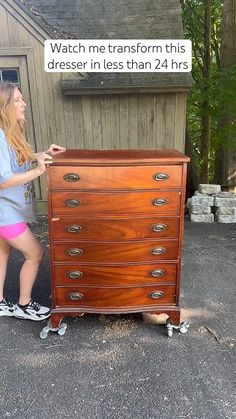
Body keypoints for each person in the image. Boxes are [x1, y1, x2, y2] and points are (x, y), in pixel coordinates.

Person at [0, 81, 66, 321]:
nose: (23, 104)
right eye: (17, 100)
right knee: (35, 254)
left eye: (21, 99)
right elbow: (3, 180)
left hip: (9, 212)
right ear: (4, 106)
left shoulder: (9, 132)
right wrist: (39, 171)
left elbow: (19, 160)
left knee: (2, 253)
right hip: (5, 214)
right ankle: (24, 305)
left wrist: (42, 155)